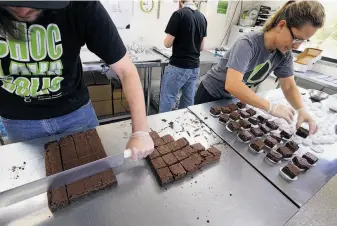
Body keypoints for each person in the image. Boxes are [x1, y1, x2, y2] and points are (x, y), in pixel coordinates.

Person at [0, 1, 154, 160]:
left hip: (75, 115)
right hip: (18, 122)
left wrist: (141, 131)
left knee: (92, 175)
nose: (23, 10)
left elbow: (126, 70)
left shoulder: (81, 5)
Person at [195, 0, 325, 135]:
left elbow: (288, 86)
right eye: (297, 38)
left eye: (303, 41)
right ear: (281, 25)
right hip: (210, 93)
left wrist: (301, 109)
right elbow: (233, 84)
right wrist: (270, 107)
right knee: (202, 133)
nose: (297, 46)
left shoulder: (283, 53)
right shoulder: (248, 43)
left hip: (231, 98)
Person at [159, 0, 207, 112]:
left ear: (180, 1)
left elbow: (167, 43)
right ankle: (185, 125)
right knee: (188, 100)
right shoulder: (202, 17)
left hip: (178, 66)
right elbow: (202, 47)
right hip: (194, 67)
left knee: (168, 97)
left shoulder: (179, 14)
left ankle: (162, 126)